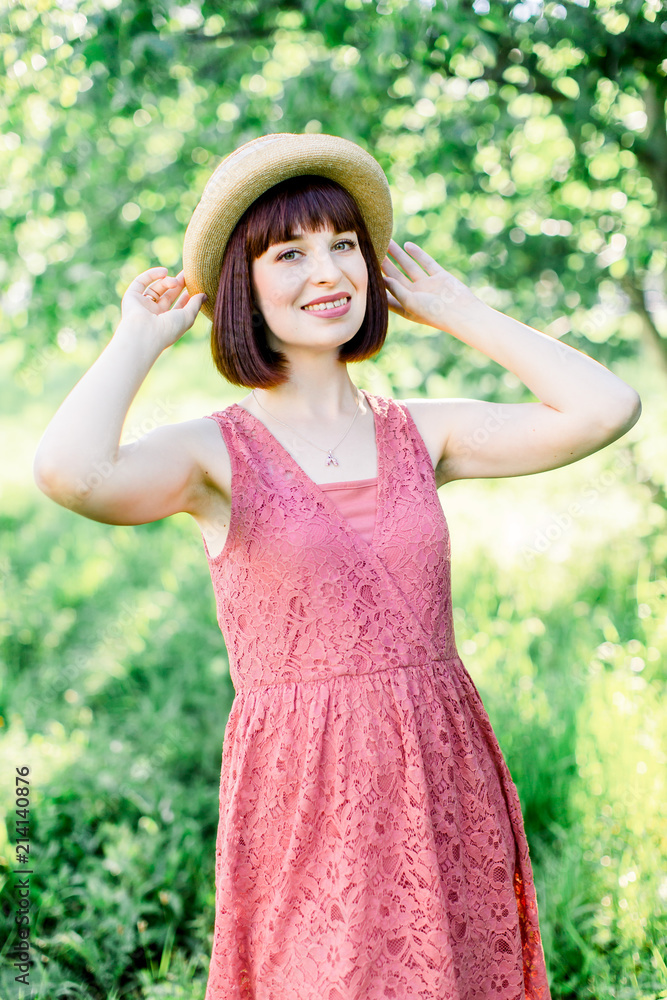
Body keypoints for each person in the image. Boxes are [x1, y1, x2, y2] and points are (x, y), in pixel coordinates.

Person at [34, 132, 641, 999]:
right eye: (289, 253)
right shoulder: (214, 453)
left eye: (344, 245)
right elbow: (71, 473)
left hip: (439, 768)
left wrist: (459, 311)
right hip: (306, 785)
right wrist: (138, 340)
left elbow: (605, 407)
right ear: (243, 285)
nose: (328, 272)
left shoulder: (422, 431)